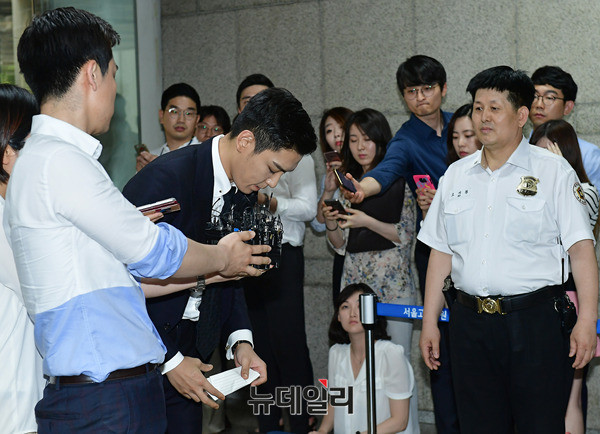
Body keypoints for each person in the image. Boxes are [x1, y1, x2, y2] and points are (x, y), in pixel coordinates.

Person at [9, 7, 269, 433]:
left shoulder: (45, 160)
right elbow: (155, 252)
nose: (116, 89)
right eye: (114, 74)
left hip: (104, 395)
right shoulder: (60, 161)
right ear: (92, 74)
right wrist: (222, 257)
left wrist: (216, 272)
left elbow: (123, 281)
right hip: (106, 400)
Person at [123, 86, 318, 433]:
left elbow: (233, 272)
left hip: (192, 355)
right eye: (272, 168)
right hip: (141, 359)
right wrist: (170, 361)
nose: (272, 183)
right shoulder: (167, 178)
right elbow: (121, 281)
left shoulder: (244, 187)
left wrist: (241, 342)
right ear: (245, 141)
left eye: (281, 175)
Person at [418, 66, 598, 434]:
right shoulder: (456, 175)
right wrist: (429, 322)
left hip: (534, 323)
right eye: (478, 107)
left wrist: (586, 321)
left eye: (494, 108)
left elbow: (581, 252)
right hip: (469, 324)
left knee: (539, 425)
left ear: (521, 115)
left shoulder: (554, 172)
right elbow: (441, 253)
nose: (483, 117)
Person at [322, 108, 419, 429]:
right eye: (353, 140)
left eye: (367, 139)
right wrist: (332, 221)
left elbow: (405, 235)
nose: (360, 147)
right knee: (358, 369)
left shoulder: (397, 181)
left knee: (398, 366)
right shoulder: (346, 183)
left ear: (380, 140)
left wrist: (366, 220)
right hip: (355, 287)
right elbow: (339, 244)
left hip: (393, 289)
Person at [530, 119, 600, 434]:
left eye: (549, 154)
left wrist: (560, 171)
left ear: (566, 153)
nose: (541, 162)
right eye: (536, 154)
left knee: (568, 397)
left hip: (569, 297)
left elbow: (575, 229)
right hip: (535, 298)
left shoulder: (587, 191)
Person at [310, 283, 416, 434]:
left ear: (373, 312)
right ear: (338, 316)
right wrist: (322, 430)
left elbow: (400, 421)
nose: (353, 313)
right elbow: (335, 401)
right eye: (345, 307)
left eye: (360, 306)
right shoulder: (336, 353)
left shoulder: (391, 354)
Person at [0, 84, 44, 434]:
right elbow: (41, 294)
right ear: (6, 153)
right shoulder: (6, 217)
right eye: (33, 145)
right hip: (13, 403)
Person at [530, 66, 600, 188]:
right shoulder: (519, 147)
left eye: (549, 98)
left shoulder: (588, 155)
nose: (539, 104)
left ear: (567, 107)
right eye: (535, 96)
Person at [311, 106, 354, 301]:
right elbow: (318, 224)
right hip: (342, 254)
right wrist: (329, 190)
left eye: (341, 127)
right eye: (329, 130)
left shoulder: (367, 168)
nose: (336, 134)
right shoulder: (329, 175)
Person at [418, 103, 482, 218]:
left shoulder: (496, 176)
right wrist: (429, 209)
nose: (460, 143)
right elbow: (433, 229)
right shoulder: (447, 179)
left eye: (468, 135)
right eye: (455, 137)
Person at [136, 82, 201, 171]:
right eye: (174, 112)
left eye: (189, 113)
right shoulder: (150, 158)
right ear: (161, 116)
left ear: (197, 120)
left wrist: (161, 170)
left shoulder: (207, 156)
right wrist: (142, 175)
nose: (181, 120)